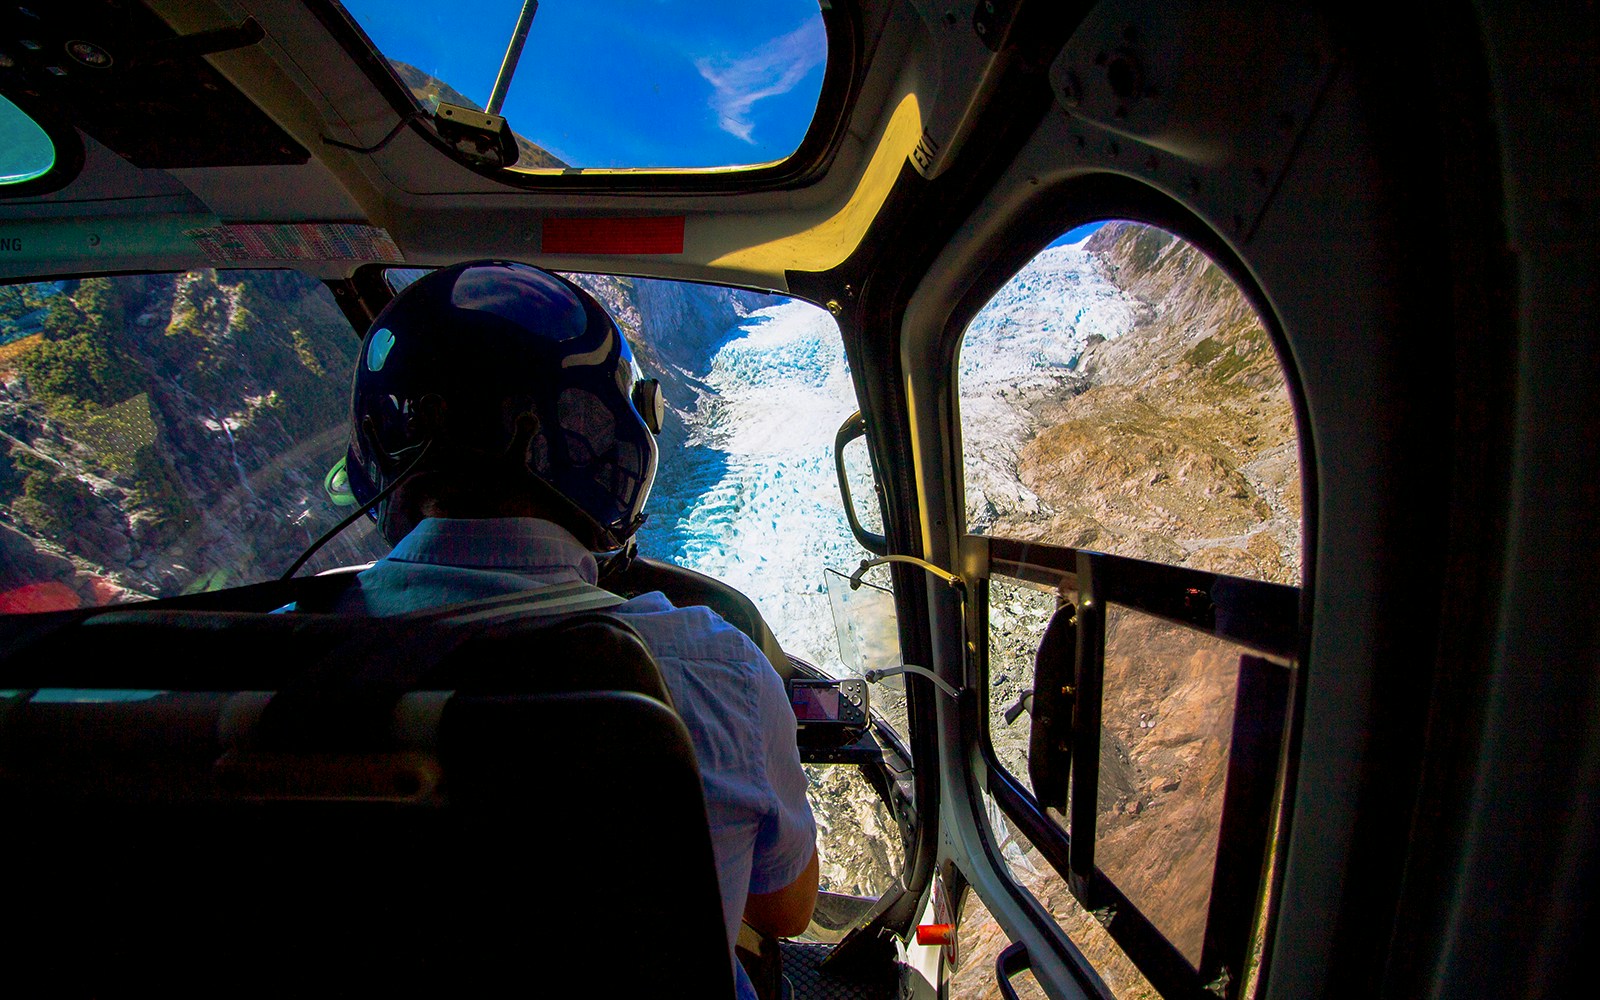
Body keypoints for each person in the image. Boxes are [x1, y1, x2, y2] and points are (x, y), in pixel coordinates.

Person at [330, 260, 818, 998]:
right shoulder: (710, 670)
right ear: (609, 447)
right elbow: (785, 908)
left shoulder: (262, 658)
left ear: (379, 458)